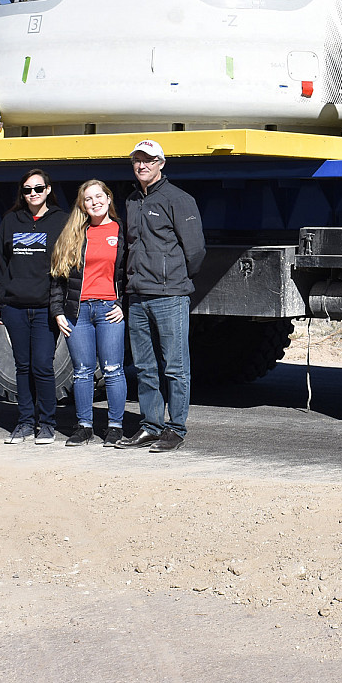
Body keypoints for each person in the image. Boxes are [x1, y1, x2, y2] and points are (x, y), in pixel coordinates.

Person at [115, 140, 206, 453]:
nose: (142, 166)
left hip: (169, 295)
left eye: (149, 160)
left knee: (175, 366)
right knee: (144, 367)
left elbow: (195, 250)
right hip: (138, 296)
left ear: (161, 163)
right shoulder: (131, 201)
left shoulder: (178, 199)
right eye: (137, 161)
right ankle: (151, 426)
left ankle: (175, 428)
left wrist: (175, 278)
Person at [0, 169, 69, 445]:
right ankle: (24, 423)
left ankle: (46, 423)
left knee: (43, 366)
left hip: (46, 307)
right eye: (27, 189)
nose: (33, 194)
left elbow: (67, 265)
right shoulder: (11, 221)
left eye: (38, 188)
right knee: (22, 366)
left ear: (48, 189)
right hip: (14, 307)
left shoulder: (61, 220)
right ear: (21, 193)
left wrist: (61, 305)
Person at [50, 180, 128, 447]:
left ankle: (115, 427)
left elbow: (131, 273)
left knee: (113, 370)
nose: (94, 202)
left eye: (99, 196)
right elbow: (58, 277)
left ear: (108, 198)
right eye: (88, 199)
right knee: (82, 371)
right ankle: (84, 427)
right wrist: (58, 311)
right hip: (78, 311)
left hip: (108, 310)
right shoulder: (74, 233)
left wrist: (122, 305)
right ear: (82, 205)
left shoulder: (120, 231)